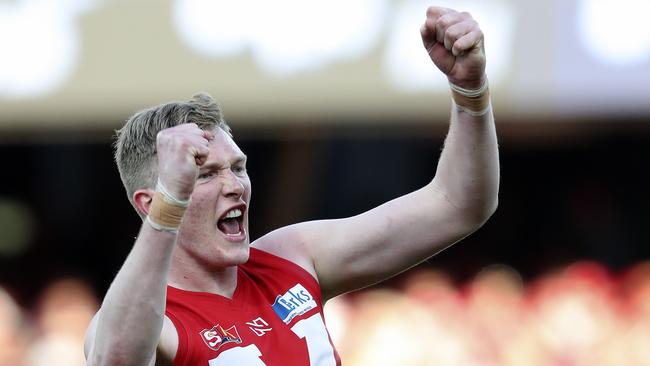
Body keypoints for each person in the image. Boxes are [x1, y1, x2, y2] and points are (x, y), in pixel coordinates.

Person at [84, 6, 499, 366]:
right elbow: (117, 358)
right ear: (149, 202)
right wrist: (170, 204)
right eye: (205, 174)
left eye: (238, 166)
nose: (234, 186)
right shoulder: (152, 320)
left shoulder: (291, 257)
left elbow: (457, 204)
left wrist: (470, 91)